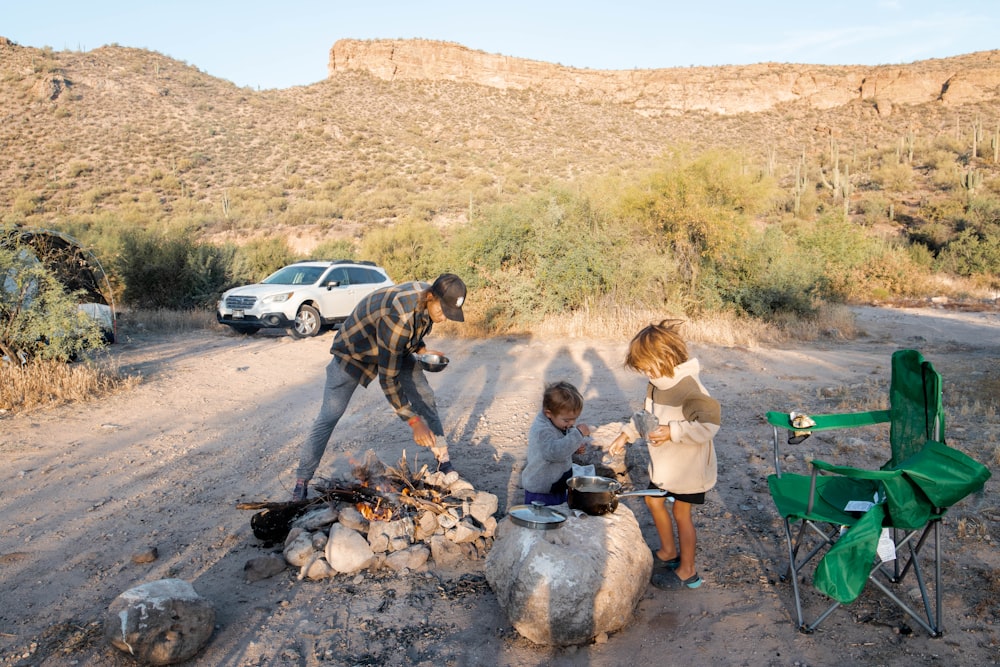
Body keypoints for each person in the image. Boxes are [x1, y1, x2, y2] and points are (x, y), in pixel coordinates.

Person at [290, 273, 468, 501]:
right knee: (329, 415)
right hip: (354, 353)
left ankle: (443, 461)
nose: (443, 318)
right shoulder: (400, 316)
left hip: (393, 348)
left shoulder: (427, 300)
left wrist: (423, 351)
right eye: (442, 311)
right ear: (431, 296)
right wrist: (414, 422)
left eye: (448, 314)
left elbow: (410, 335)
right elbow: (388, 379)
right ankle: (302, 481)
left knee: (425, 397)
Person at [608, 320, 720, 590]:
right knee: (653, 500)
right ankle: (669, 552)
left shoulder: (689, 387)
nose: (645, 373)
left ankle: (688, 570)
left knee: (682, 513)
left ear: (667, 357)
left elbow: (710, 425)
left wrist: (673, 431)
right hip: (665, 467)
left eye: (647, 366)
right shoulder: (657, 384)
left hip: (688, 469)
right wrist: (627, 434)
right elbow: (646, 417)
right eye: (642, 369)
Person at [521, 381, 594, 506]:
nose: (571, 423)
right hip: (542, 490)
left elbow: (561, 440)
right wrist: (577, 434)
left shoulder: (556, 421)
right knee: (544, 520)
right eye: (567, 420)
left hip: (556, 484)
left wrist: (573, 447)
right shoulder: (542, 430)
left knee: (560, 517)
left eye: (574, 419)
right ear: (548, 413)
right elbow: (555, 452)